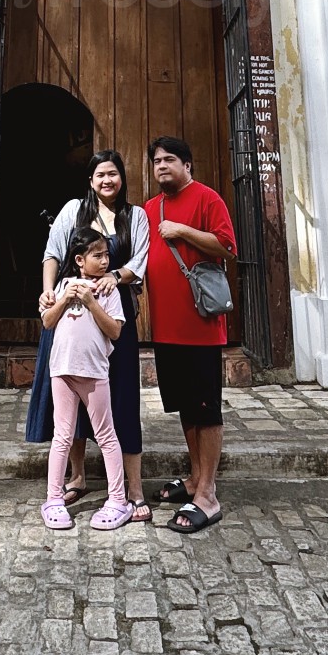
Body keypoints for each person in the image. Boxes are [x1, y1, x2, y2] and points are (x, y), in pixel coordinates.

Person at [23, 150, 152, 521]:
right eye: (100, 175)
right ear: (91, 180)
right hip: (70, 314)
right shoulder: (73, 211)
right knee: (71, 401)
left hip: (113, 314)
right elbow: (52, 253)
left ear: (121, 178)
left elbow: (139, 260)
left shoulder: (135, 216)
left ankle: (134, 487)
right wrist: (49, 292)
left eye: (113, 173)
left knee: (123, 397)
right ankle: (77, 477)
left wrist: (116, 276)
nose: (107, 180)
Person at [143, 134, 236, 534]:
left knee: (206, 409)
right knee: (185, 407)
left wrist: (182, 230)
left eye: (169, 160)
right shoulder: (150, 208)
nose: (162, 166)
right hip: (166, 328)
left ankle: (209, 496)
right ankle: (196, 478)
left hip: (200, 328)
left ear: (187, 165)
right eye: (156, 161)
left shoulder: (207, 199)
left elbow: (227, 247)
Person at [37, 227, 133, 531]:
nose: (104, 261)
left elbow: (115, 331)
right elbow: (48, 322)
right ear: (80, 260)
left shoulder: (108, 290)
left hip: (93, 373)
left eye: (106, 255)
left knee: (106, 435)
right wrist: (64, 298)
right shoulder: (63, 285)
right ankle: (54, 498)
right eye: (97, 255)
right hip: (62, 371)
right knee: (62, 436)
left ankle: (118, 500)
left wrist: (92, 302)